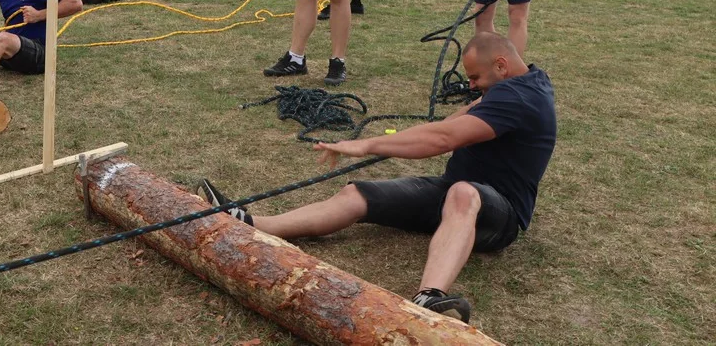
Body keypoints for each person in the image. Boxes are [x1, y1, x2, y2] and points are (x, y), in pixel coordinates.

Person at [200, 32, 556, 325]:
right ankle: (252, 222)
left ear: (502, 65)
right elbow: (449, 125)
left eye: (476, 77)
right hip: (453, 197)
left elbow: (443, 140)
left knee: (463, 193)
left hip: (497, 214)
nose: (472, 86)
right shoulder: (515, 84)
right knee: (357, 193)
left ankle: (429, 298)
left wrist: (367, 144)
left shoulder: (520, 97)